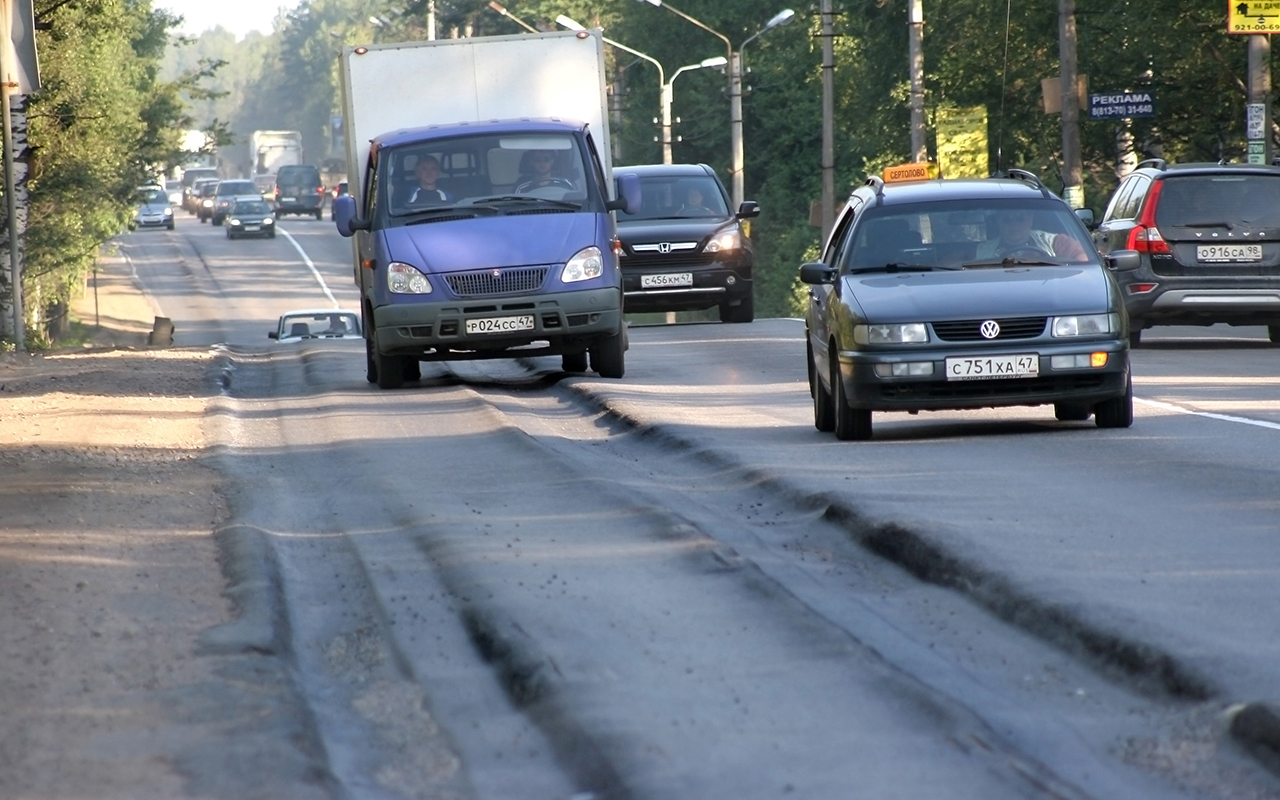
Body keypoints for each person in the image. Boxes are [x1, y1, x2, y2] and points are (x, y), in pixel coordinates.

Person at [975, 210, 1089, 262]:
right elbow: (959, 267)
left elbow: (1085, 264)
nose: (1013, 224)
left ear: (1031, 219)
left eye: (1020, 218)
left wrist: (1046, 261)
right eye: (1006, 219)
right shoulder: (980, 250)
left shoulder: (1056, 242)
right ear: (998, 222)